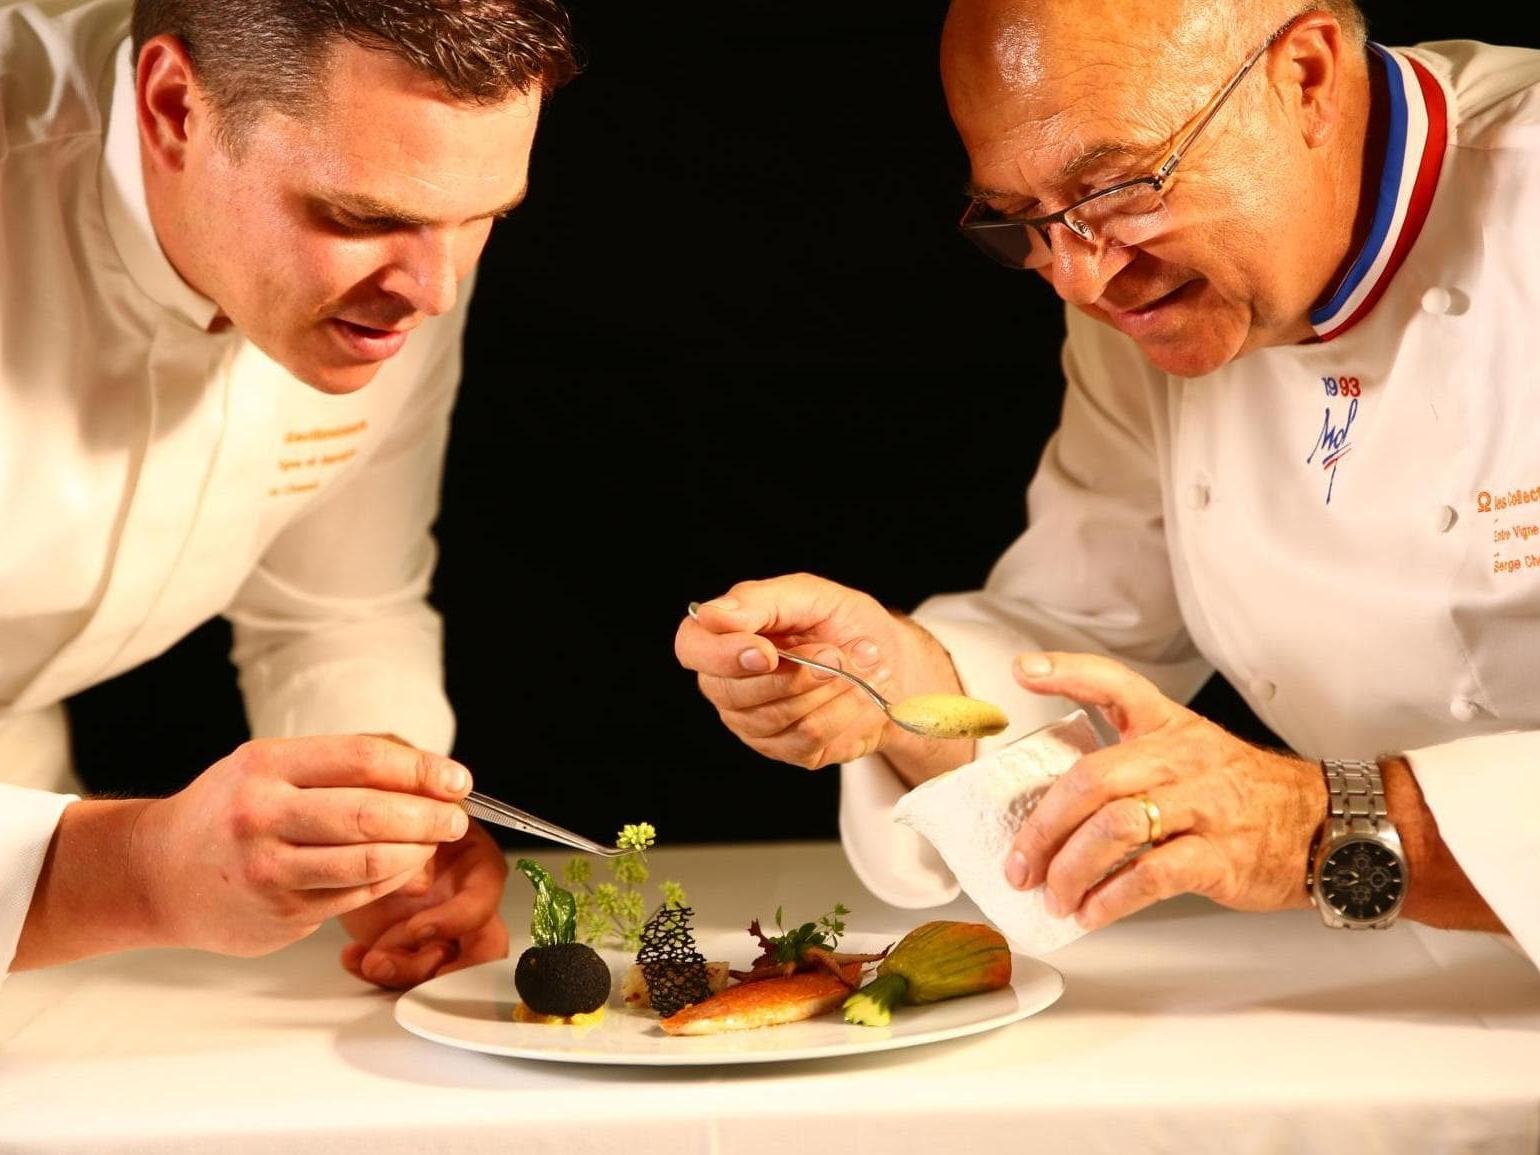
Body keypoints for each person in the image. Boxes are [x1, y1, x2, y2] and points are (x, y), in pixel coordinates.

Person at [675, 0, 1540, 966]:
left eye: (1124, 185)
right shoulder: (1136, 284)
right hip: (1386, 962)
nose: (1079, 281)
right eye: (1023, 222)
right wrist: (899, 686)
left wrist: (1314, 827)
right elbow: (1088, 637)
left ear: (1304, 76)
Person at [0, 0, 577, 990]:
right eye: (360, 219)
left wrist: (377, 834)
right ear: (175, 104)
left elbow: (336, 610)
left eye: (483, 218)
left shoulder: (410, 239)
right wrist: (134, 873)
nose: (434, 291)